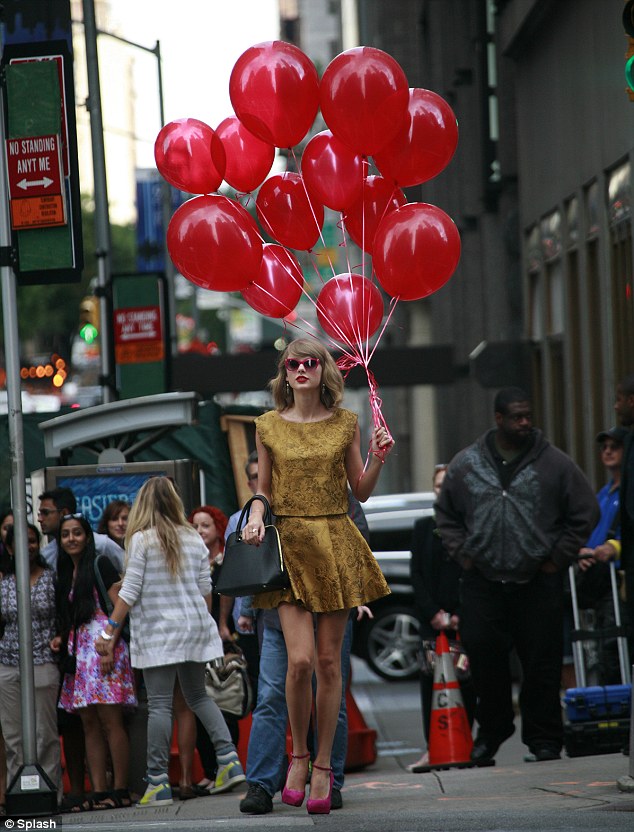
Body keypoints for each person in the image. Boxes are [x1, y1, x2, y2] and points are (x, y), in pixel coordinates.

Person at [244, 337, 393, 814]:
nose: (302, 369)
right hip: (288, 546)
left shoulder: (346, 423)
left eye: (311, 362)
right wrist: (253, 514)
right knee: (301, 662)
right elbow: (263, 489)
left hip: (334, 542)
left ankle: (325, 766)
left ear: (323, 370)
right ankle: (299, 755)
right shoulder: (267, 425)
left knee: (331, 666)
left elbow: (362, 492)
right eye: (294, 363)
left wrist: (377, 456)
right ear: (284, 373)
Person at [435, 386, 599, 764]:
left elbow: (584, 511)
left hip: (537, 582)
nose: (525, 423)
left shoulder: (554, 464)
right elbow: (445, 515)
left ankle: (544, 739)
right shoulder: (467, 463)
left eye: (528, 416)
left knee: (541, 665)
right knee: (485, 661)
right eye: (517, 417)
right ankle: (491, 733)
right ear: (498, 419)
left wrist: (558, 558)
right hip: (483, 582)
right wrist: (464, 554)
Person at [95, 477, 245, 807]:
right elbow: (207, 590)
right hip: (195, 629)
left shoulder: (141, 540)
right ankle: (229, 759)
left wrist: (109, 631)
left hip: (159, 634)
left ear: (144, 504)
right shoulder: (193, 537)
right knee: (198, 697)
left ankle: (158, 782)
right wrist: (196, 621)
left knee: (161, 705)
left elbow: (129, 591)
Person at [52, 514, 136, 811]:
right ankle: (99, 790)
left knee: (111, 720)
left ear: (88, 537)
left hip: (104, 646)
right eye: (65, 534)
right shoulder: (64, 571)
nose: (71, 539)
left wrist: (110, 643)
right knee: (88, 722)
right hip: (80, 653)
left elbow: (119, 606)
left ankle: (121, 789)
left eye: (77, 533)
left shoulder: (100, 563)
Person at [407, 464, 476, 772]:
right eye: (437, 486)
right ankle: (432, 746)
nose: (442, 492)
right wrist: (433, 613)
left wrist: (460, 613)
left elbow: (474, 571)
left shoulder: (470, 526)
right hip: (431, 621)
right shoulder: (423, 527)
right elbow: (417, 575)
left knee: (467, 681)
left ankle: (467, 742)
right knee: (429, 683)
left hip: (464, 619)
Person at [0, 523, 62, 802]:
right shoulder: (4, 582)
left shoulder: (52, 578)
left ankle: (50, 795)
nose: (29, 547)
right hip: (8, 662)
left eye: (33, 540)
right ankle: (19, 797)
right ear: (10, 548)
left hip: (43, 660)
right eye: (22, 542)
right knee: (13, 737)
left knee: (44, 735)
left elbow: (64, 615)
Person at [562, 427, 627, 688]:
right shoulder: (602, 493)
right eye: (604, 447)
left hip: (618, 583)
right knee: (601, 648)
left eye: (615, 446)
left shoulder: (627, 492)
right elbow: (587, 532)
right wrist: (583, 553)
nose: (608, 451)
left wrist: (614, 547)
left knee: (615, 646)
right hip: (598, 581)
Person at [38, 488, 124, 571]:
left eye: (45, 513)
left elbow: (130, 572)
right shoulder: (46, 555)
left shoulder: (101, 544)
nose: (40, 519)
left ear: (64, 513)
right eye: (65, 535)